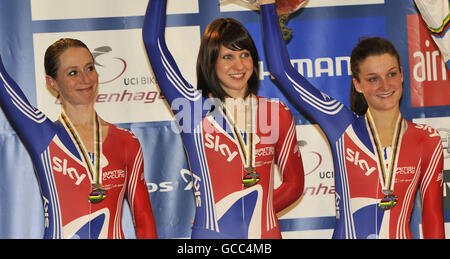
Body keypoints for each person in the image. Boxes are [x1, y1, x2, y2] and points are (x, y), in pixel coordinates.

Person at [258, 0, 444, 238]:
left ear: (402, 76)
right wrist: (266, 5)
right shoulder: (342, 125)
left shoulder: (426, 139)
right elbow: (281, 71)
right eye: (373, 79)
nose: (385, 85)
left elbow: (433, 218)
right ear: (357, 84)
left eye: (391, 74)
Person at [142, 0, 304, 239]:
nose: (239, 65)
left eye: (245, 54)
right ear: (210, 62)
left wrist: (254, 212)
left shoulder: (275, 112)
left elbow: (294, 185)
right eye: (228, 57)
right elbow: (152, 42)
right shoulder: (192, 108)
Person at [0, 38, 157, 239]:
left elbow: (144, 218)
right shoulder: (43, 136)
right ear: (52, 83)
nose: (85, 79)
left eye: (89, 68)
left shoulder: (127, 142)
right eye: (73, 72)